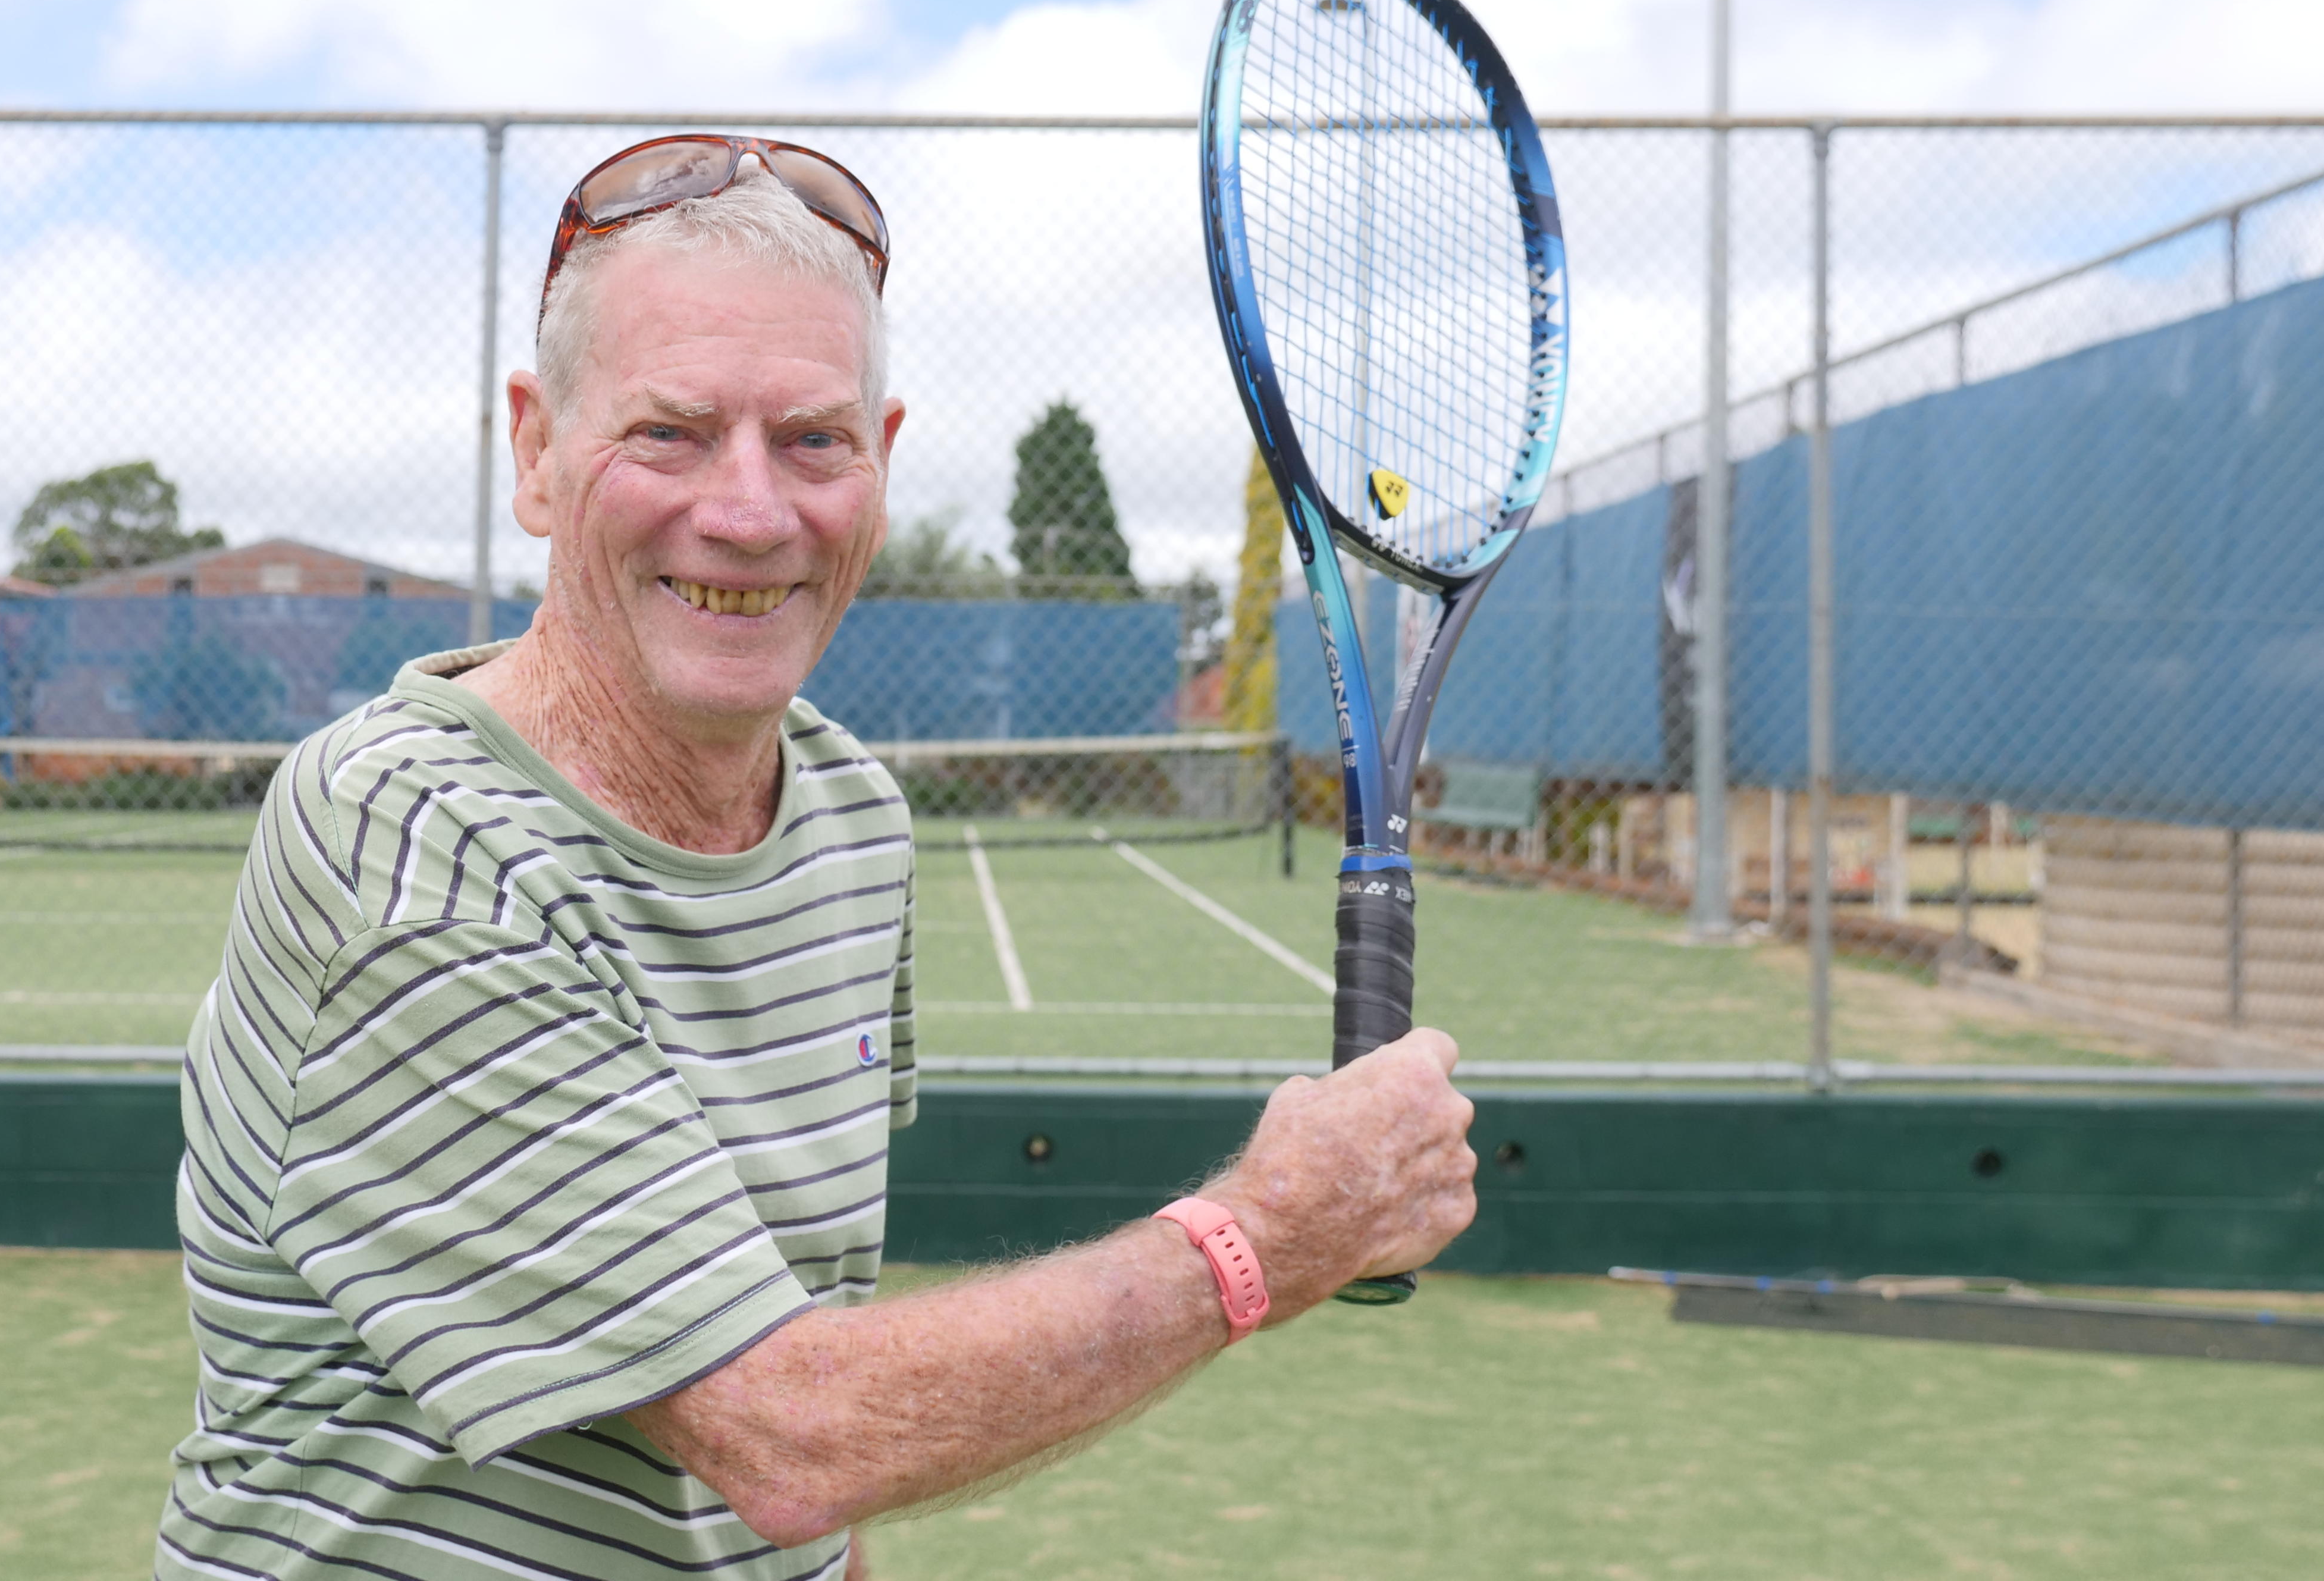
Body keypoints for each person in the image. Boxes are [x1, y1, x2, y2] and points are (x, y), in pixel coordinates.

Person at [158, 134, 1478, 1581]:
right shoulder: (406, 835)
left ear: (881, 462)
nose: (747, 511)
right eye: (667, 432)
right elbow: (787, 1432)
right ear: (536, 452)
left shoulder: (848, 815)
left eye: (812, 440)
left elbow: (800, 1375)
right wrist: (1265, 1238)